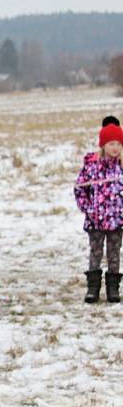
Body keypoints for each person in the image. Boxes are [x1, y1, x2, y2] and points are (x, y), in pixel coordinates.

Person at [74, 121, 123, 303]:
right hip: (95, 221)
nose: (115, 148)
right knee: (95, 252)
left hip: (117, 221)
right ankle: (93, 288)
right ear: (103, 145)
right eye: (112, 144)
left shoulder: (121, 167)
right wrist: (88, 209)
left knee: (114, 253)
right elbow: (79, 189)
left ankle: (113, 288)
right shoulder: (92, 167)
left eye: (119, 144)